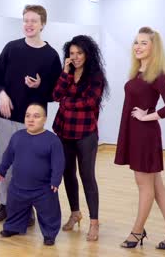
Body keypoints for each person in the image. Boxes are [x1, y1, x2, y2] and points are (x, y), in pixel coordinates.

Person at [0, 4, 62, 224]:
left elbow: (56, 92)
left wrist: (41, 85)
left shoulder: (51, 56)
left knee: (27, 166)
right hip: (6, 117)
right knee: (4, 160)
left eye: (33, 21)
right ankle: (4, 204)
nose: (28, 25)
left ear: (42, 25)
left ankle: (25, 208)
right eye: (25, 20)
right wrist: (1, 94)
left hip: (32, 122)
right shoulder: (11, 48)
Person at [115, 27, 165, 250]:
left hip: (145, 136)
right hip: (135, 133)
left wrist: (148, 116)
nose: (138, 46)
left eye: (144, 43)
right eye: (136, 42)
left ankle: (137, 232)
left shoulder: (157, 75)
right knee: (157, 187)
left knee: (145, 187)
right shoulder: (138, 73)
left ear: (154, 48)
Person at [52, 35, 109, 241]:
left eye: (79, 53)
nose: (75, 57)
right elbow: (57, 95)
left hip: (85, 133)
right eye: (72, 54)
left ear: (87, 54)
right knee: (68, 173)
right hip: (64, 131)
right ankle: (75, 213)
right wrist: (66, 72)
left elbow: (89, 102)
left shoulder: (96, 76)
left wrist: (67, 103)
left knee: (87, 176)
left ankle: (94, 222)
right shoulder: (67, 73)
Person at [0, 103, 64, 246]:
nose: (31, 119)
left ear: (45, 119)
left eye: (36, 116)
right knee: (14, 208)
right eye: (28, 116)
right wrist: (1, 169)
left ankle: (49, 234)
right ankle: (13, 227)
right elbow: (8, 155)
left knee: (49, 212)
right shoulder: (17, 137)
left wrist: (55, 181)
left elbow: (58, 163)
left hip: (44, 189)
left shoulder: (52, 140)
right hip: (18, 187)